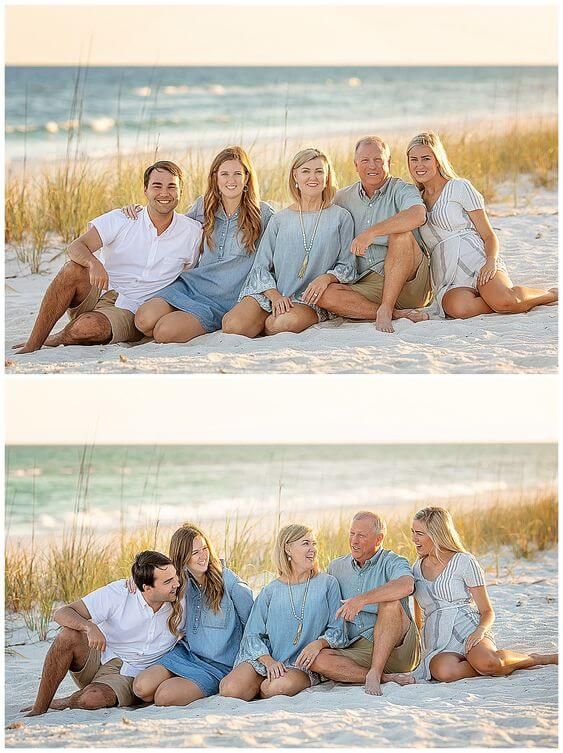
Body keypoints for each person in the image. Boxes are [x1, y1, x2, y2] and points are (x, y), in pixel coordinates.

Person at [14, 161, 202, 353]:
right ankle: (33, 343)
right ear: (145, 190)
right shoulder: (123, 218)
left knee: (86, 328)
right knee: (72, 269)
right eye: (157, 186)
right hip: (100, 288)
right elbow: (76, 246)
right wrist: (93, 263)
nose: (164, 193)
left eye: (172, 186)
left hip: (132, 310)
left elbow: (193, 277)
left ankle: (55, 338)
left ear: (181, 192)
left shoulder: (192, 233)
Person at [406, 131, 558, 319]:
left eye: (426, 158)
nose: (419, 165)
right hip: (447, 274)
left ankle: (550, 294)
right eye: (414, 159)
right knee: (459, 309)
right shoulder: (414, 200)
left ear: (437, 160)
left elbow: (488, 234)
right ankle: (494, 299)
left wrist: (490, 261)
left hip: (477, 260)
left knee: (506, 301)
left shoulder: (459, 187)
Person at [130, 146, 275, 343]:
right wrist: (142, 211)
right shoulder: (203, 206)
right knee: (143, 319)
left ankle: (197, 321)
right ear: (215, 177)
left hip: (224, 299)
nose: (230, 180)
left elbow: (278, 255)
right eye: (224, 174)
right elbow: (173, 226)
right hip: (191, 286)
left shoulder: (263, 214)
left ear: (247, 178)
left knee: (163, 333)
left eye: (237, 174)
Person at [409, 506, 558, 682]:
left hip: (467, 627)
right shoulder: (415, 569)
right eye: (412, 532)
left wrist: (479, 631)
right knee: (444, 673)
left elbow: (487, 610)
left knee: (488, 663)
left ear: (436, 534)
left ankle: (535, 658)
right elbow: (420, 615)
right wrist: (420, 645)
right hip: (438, 639)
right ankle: (484, 664)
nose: (413, 538)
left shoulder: (464, 561)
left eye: (419, 533)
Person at [22, 551, 180, 716]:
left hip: (131, 675)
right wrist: (89, 627)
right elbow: (62, 613)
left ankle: (65, 701)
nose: (176, 583)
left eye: (175, 576)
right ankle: (39, 708)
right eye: (168, 581)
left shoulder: (181, 601)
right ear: (146, 588)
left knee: (91, 699)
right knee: (67, 636)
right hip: (100, 656)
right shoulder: (120, 592)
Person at [222, 148, 356, 337]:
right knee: (233, 325)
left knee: (280, 324)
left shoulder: (341, 217)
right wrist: (275, 296)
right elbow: (261, 266)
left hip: (309, 299)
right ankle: (262, 318)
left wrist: (326, 278)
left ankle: (267, 322)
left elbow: (348, 266)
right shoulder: (280, 219)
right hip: (272, 293)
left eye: (319, 171)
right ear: (295, 176)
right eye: (306, 171)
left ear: (327, 177)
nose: (313, 177)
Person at [316, 136, 432, 333]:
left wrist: (372, 232)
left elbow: (418, 215)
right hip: (369, 282)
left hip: (409, 281)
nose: (372, 166)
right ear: (355, 165)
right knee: (325, 295)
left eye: (378, 160)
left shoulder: (402, 189)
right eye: (365, 161)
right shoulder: (342, 198)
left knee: (400, 235)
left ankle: (386, 308)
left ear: (388, 162)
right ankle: (397, 313)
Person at [131, 524, 254, 706]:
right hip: (186, 654)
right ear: (183, 557)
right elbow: (156, 579)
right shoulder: (180, 582)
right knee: (141, 687)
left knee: (163, 697)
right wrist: (137, 580)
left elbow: (254, 628)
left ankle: (190, 685)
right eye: (195, 552)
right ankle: (180, 682)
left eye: (204, 549)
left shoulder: (231, 583)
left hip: (218, 666)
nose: (203, 556)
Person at [219, 524, 346, 700]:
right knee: (229, 689)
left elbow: (338, 630)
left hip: (301, 664)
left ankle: (264, 686)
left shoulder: (328, 584)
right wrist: (268, 661)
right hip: (268, 659)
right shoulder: (270, 591)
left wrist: (318, 644)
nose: (313, 549)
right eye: (305, 543)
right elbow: (252, 635)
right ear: (288, 548)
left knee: (275, 687)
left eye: (314, 543)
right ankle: (260, 682)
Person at [310, 511, 421, 696]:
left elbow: (406, 585)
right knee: (317, 660)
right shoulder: (336, 567)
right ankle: (384, 677)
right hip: (358, 648)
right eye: (352, 534)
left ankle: (376, 671)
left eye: (361, 535)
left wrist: (362, 600)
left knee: (390, 603)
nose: (354, 541)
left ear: (379, 539)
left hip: (398, 648)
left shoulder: (393, 561)